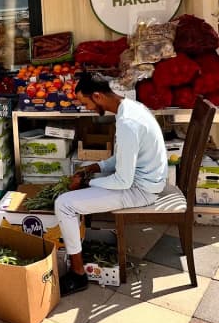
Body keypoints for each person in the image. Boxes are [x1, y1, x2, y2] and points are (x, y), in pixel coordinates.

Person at [54, 73, 168, 296]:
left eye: (86, 103)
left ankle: (78, 274)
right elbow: (122, 158)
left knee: (64, 205)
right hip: (146, 181)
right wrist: (91, 169)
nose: (87, 108)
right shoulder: (131, 108)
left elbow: (123, 180)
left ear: (97, 96)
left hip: (141, 190)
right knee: (81, 194)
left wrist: (88, 182)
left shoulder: (127, 122)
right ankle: (79, 248)